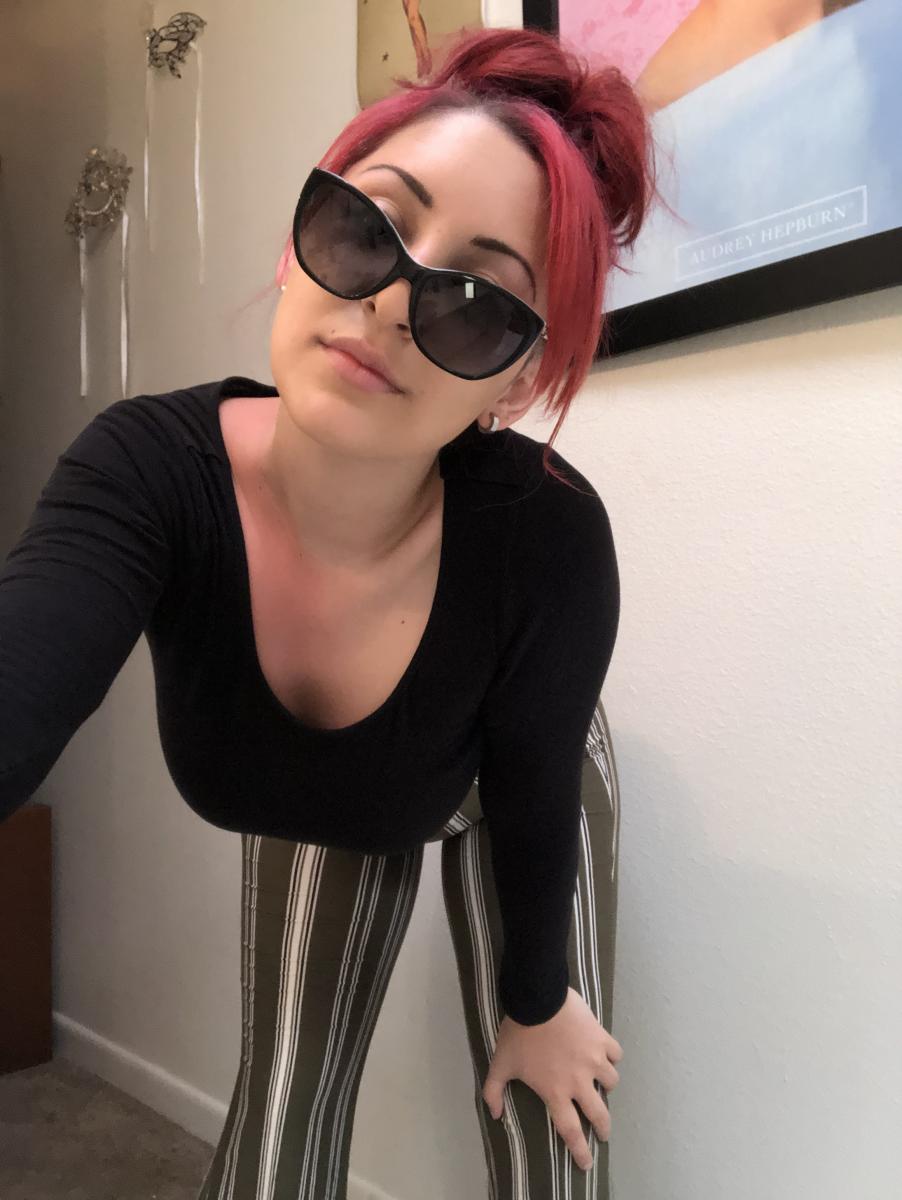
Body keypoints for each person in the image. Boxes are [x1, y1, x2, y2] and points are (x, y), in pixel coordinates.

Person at [0, 25, 660, 1199]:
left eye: (474, 303)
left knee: (549, 1128)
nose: (394, 303)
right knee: (284, 1110)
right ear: (296, 240)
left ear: (516, 378)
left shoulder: (546, 539)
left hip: (522, 773)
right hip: (349, 791)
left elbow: (533, 789)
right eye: (365, 228)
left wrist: (539, 998)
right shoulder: (147, 472)